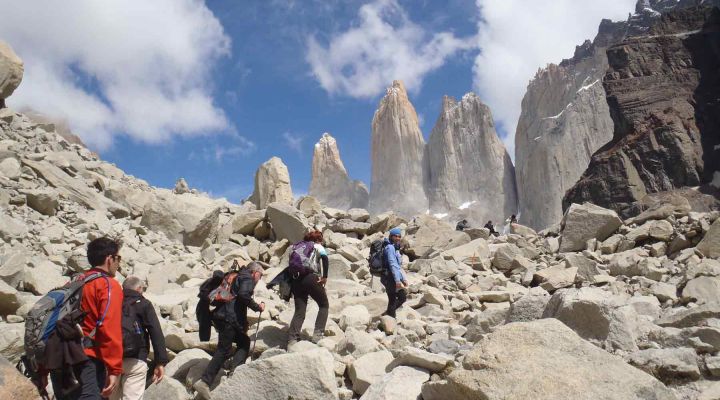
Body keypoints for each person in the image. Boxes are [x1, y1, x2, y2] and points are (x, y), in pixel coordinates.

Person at [50, 237, 124, 400]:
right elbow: (108, 328)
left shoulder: (75, 282)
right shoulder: (108, 285)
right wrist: (115, 369)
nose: (119, 264)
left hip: (59, 358)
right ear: (109, 259)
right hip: (85, 360)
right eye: (118, 258)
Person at [193, 262, 265, 400]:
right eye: (260, 276)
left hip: (221, 316)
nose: (259, 279)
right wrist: (258, 307)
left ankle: (234, 372)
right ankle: (205, 382)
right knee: (224, 349)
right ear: (255, 272)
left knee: (244, 342)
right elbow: (244, 296)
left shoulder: (237, 275)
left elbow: (236, 298)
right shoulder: (247, 278)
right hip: (228, 318)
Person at [110, 277, 168, 400]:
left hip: (112, 358)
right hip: (136, 359)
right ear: (139, 289)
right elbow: (155, 332)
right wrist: (160, 362)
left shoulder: (113, 302)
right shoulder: (144, 304)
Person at [287, 230, 330, 347]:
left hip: (296, 280)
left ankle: (292, 340)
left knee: (299, 311)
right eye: (321, 239)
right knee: (323, 305)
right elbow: (325, 259)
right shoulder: (317, 245)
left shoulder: (295, 247)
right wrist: (325, 277)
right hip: (311, 278)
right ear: (318, 239)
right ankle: (317, 336)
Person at [381, 228, 408, 318]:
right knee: (393, 299)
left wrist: (403, 279)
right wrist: (397, 281)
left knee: (401, 297)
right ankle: (390, 322)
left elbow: (398, 266)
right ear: (391, 236)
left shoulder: (394, 247)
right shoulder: (390, 248)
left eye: (399, 236)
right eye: (395, 236)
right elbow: (392, 264)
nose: (397, 238)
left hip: (392, 276)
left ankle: (388, 315)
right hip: (389, 277)